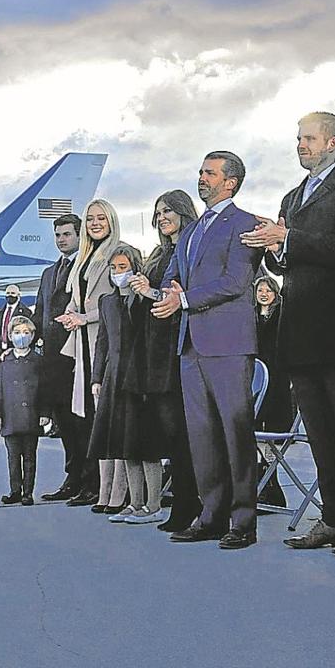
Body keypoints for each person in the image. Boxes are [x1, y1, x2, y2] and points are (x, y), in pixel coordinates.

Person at [241, 112, 335, 557]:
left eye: (309, 138)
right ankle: (334, 518)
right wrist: (273, 246)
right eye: (299, 138)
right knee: (320, 435)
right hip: (298, 333)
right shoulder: (291, 194)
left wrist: (290, 235)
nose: (300, 145)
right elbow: (285, 267)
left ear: (333, 142)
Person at [153, 151, 263, 549]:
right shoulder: (194, 229)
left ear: (230, 182)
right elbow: (173, 274)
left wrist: (184, 300)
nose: (202, 178)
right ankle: (211, 515)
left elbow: (236, 281)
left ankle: (243, 522)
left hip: (229, 344)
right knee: (202, 436)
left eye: (210, 173)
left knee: (235, 433)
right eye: (200, 171)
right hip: (191, 346)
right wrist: (168, 292)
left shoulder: (245, 224)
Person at [128, 191, 203, 532]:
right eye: (157, 211)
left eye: (168, 210)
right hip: (155, 352)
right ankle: (184, 501)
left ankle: (188, 502)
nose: (161, 217)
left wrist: (149, 291)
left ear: (184, 211)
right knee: (171, 435)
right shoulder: (160, 252)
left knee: (180, 433)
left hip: (178, 349)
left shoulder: (189, 246)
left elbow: (178, 296)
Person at [57, 199, 120, 507]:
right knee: (84, 416)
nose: (95, 223)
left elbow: (114, 302)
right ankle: (89, 481)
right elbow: (76, 298)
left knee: (100, 416)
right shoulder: (84, 258)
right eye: (91, 218)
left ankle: (103, 487)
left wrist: (83, 317)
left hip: (101, 341)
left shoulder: (116, 254)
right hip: (81, 344)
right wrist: (70, 314)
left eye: (101, 218)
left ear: (111, 221)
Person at [86, 244, 150, 517]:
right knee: (109, 436)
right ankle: (108, 493)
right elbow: (102, 342)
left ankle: (130, 497)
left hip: (137, 376)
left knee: (131, 438)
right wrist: (96, 376)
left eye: (122, 268)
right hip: (112, 374)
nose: (117, 273)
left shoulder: (142, 301)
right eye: (114, 268)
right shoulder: (107, 302)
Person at [35, 213, 87, 501]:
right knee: (65, 422)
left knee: (81, 422)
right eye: (57, 235)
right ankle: (73, 476)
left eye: (67, 234)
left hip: (77, 355)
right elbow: (40, 314)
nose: (61, 239)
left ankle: (88, 480)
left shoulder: (85, 267)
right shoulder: (48, 274)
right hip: (53, 360)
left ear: (79, 235)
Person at [0, 316, 50, 505]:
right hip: (10, 416)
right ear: (10, 335)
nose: (21, 336)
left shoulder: (38, 361)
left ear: (32, 336)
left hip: (31, 415)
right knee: (12, 457)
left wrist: (45, 413)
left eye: (25, 333)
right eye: (17, 333)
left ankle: (28, 492)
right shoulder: (4, 360)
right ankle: (15, 489)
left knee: (30, 456)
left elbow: (45, 389)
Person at [253, 276, 290, 508]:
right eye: (260, 290)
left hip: (276, 379)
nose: (264, 293)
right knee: (255, 430)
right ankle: (262, 485)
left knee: (273, 433)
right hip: (256, 381)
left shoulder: (280, 316)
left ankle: (271, 486)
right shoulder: (251, 316)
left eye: (268, 290)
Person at [0, 284, 33, 365]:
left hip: (17, 353)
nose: (10, 295)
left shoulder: (26, 312)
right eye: (8, 293)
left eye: (13, 293)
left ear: (18, 295)